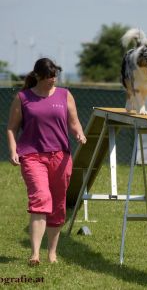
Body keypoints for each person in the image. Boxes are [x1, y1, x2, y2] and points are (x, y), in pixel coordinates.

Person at [7, 58, 87, 266]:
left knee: (58, 206)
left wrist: (79, 134)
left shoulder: (65, 95)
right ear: (38, 77)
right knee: (41, 198)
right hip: (33, 156)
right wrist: (14, 150)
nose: (53, 80)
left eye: (55, 76)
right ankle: (35, 254)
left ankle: (52, 253)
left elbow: (74, 122)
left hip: (60, 157)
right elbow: (11, 128)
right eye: (49, 77)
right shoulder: (23, 98)